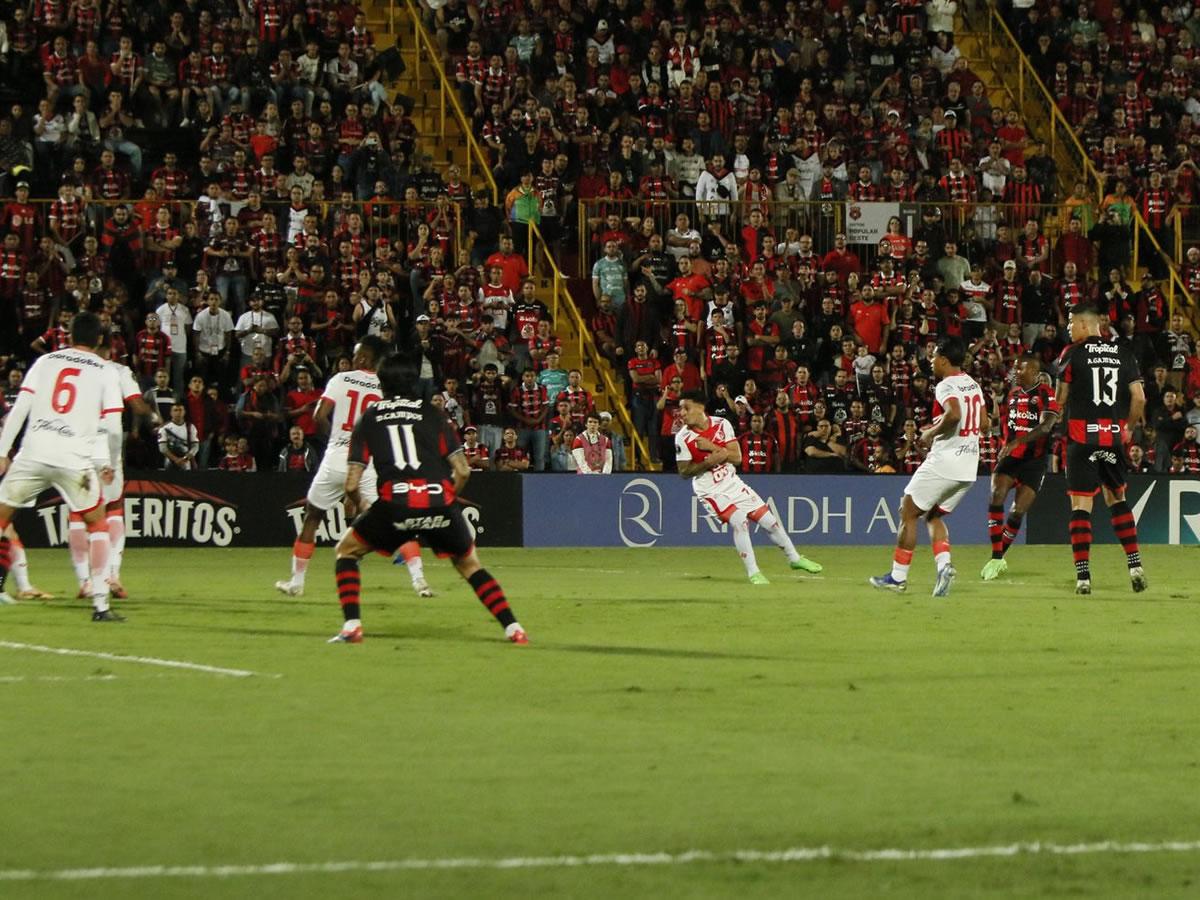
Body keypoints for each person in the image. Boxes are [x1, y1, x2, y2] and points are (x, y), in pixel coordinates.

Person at [329, 352, 529, 645]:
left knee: (346, 552)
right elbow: (462, 471)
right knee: (471, 565)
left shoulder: (370, 417)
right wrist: (444, 500)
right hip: (439, 502)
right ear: (415, 382)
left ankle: (352, 627)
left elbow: (351, 484)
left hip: (394, 504)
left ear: (381, 383)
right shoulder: (434, 414)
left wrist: (363, 506)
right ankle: (514, 629)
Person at [275, 337, 429, 599]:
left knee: (313, 516)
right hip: (366, 462)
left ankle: (296, 583)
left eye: (358, 354)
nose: (354, 358)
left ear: (364, 358)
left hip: (336, 458)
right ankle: (420, 581)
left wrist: (334, 439)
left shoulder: (339, 379)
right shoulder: (387, 387)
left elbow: (319, 417)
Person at [0, 312, 124, 618]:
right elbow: (114, 426)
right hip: (75, 461)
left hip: (33, 453)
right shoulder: (106, 371)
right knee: (97, 523)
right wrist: (108, 461)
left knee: (1, 519)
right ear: (99, 340)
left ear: (68, 336)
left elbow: (20, 408)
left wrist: (3, 451)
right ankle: (100, 605)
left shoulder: (45, 362)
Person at [871, 336, 986, 597]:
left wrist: (931, 433)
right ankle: (944, 566)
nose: (931, 361)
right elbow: (984, 423)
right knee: (933, 515)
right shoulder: (973, 384)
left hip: (945, 463)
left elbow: (954, 414)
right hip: (968, 467)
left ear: (944, 360)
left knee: (908, 512)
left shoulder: (946, 385)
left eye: (933, 356)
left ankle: (897, 578)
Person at [675, 390, 822, 584]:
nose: (682, 413)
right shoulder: (682, 438)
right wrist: (710, 461)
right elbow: (684, 472)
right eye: (680, 409)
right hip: (709, 489)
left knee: (770, 521)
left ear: (701, 407)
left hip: (732, 483)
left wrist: (713, 448)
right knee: (739, 521)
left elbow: (737, 458)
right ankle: (754, 573)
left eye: (686, 408)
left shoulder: (722, 424)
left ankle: (795, 559)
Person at [1053, 306, 1147, 594]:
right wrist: (1128, 428)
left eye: (1071, 323)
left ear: (1084, 324)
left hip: (1082, 439)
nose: (1068, 328)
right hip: (1113, 439)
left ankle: (1083, 577)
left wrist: (1055, 416)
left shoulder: (1071, 352)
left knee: (1081, 506)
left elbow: (1060, 399)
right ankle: (1135, 567)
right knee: (1117, 500)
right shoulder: (1124, 353)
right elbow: (1139, 398)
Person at [981, 355, 1059, 580]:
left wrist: (1019, 441)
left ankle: (998, 556)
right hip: (1011, 457)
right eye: (1014, 368)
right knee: (996, 494)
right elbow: (1005, 424)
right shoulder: (1013, 394)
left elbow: (1046, 426)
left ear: (1034, 371)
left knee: (1017, 511)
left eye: (1020, 368)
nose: (1014, 372)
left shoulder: (1045, 393)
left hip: (1035, 461)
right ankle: (996, 557)